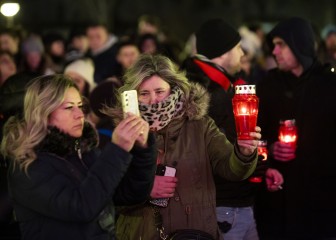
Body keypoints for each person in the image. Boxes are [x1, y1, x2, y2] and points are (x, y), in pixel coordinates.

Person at [105, 54, 260, 240]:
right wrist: (144, 189)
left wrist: (244, 153)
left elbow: (231, 169)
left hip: (195, 232)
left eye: (159, 91)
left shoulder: (200, 125)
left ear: (173, 88)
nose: (154, 100)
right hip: (142, 233)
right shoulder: (123, 132)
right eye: (144, 94)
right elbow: (108, 191)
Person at [0, 74, 157, 240]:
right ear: (42, 112)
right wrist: (118, 149)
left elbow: (131, 193)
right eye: (69, 107)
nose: (80, 114)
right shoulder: (27, 165)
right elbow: (81, 207)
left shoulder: (83, 150)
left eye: (80, 106)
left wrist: (142, 149)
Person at [254, 17, 336, 240]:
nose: (274, 51)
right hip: (278, 205)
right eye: (273, 45)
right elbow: (255, 137)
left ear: (299, 44)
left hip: (323, 203)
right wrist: (270, 151)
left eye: (281, 44)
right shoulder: (268, 86)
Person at [182, 18, 283, 240]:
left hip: (237, 201)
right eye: (238, 48)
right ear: (223, 51)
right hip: (222, 205)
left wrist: (260, 168)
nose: (242, 55)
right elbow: (219, 150)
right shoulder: (206, 93)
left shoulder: (225, 86)